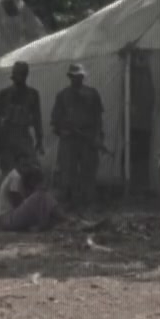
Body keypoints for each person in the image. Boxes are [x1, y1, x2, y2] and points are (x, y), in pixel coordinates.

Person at [51, 62, 103, 210]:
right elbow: (55, 119)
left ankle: (88, 201)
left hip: (88, 137)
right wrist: (62, 131)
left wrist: (98, 136)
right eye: (74, 76)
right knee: (68, 171)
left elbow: (98, 117)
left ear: (83, 76)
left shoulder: (92, 94)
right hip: (69, 139)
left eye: (79, 76)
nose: (77, 79)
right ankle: (70, 201)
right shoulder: (62, 95)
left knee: (89, 170)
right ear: (69, 77)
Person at [0, 61, 42, 178]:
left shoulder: (33, 94)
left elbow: (37, 118)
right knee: (8, 172)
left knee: (30, 170)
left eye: (22, 75)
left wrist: (39, 139)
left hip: (23, 136)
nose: (20, 78)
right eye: (18, 75)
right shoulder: (4, 94)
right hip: (7, 137)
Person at [0, 161, 65, 233]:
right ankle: (61, 218)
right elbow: (17, 204)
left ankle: (56, 220)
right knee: (40, 196)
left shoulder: (17, 176)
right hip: (6, 219)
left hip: (8, 218)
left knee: (42, 197)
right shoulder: (15, 176)